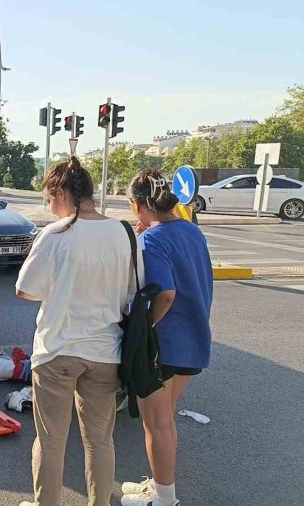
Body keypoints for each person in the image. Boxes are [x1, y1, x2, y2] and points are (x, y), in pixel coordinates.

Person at [15, 156, 141, 506]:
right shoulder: (124, 232)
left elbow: (25, 291)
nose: (50, 207)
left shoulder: (56, 234)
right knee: (100, 439)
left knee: (51, 441)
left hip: (57, 350)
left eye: (49, 199)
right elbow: (134, 291)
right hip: (106, 352)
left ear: (63, 192)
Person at [120, 169, 213, 506]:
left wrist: (145, 328)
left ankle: (164, 499)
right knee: (167, 421)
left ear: (137, 204)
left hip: (163, 347)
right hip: (194, 339)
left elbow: (166, 294)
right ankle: (161, 487)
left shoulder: (151, 239)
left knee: (156, 425)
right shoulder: (192, 230)